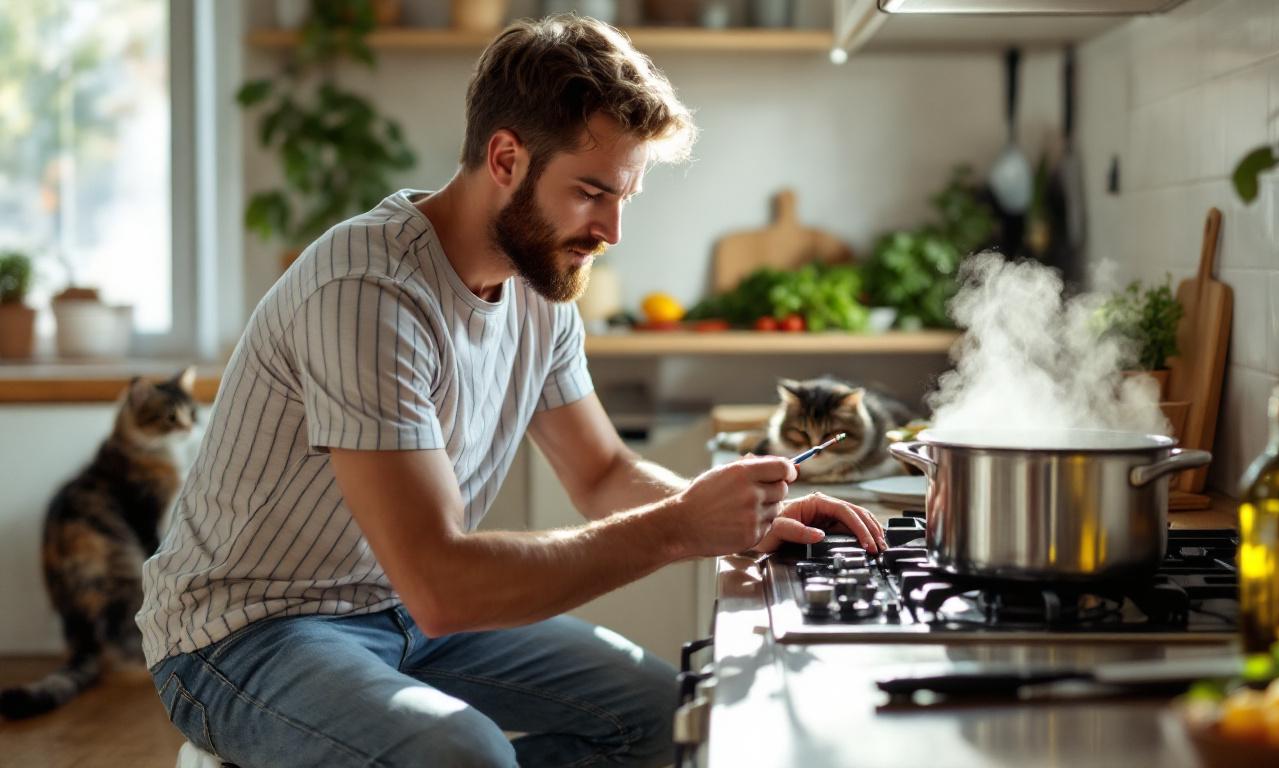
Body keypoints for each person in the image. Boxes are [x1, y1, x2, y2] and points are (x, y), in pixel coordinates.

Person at [137, 14, 886, 768]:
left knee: (674, 717)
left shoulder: (539, 286)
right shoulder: (368, 291)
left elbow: (603, 473)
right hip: (244, 633)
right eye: (591, 192)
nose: (612, 230)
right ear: (505, 158)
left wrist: (742, 520)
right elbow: (441, 584)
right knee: (465, 755)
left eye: (625, 197)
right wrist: (680, 529)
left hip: (399, 613)